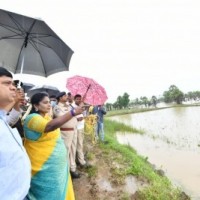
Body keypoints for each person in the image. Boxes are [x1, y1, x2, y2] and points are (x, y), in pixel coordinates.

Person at [23, 92, 84, 199]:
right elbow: (50, 126)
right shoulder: (31, 118)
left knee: (60, 190)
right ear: (36, 105)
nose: (49, 104)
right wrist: (73, 112)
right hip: (43, 168)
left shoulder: (46, 116)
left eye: (49, 102)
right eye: (45, 102)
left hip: (56, 167)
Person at [0, 67, 31, 200]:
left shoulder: (2, 118)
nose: (13, 88)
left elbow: (9, 119)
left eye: (13, 84)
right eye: (7, 83)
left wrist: (15, 102)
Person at [53, 92, 80, 178]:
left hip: (74, 130)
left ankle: (73, 169)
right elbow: (63, 117)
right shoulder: (57, 108)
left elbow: (75, 113)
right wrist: (73, 113)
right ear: (60, 98)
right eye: (65, 96)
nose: (67, 97)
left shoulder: (69, 106)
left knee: (73, 150)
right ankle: (66, 173)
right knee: (66, 152)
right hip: (65, 132)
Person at [72, 94, 88, 167]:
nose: (79, 100)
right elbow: (70, 117)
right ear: (74, 99)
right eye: (77, 99)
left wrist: (83, 117)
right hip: (77, 128)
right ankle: (82, 162)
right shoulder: (72, 107)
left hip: (81, 127)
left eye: (80, 99)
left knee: (80, 144)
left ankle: (79, 159)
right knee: (79, 144)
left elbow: (83, 114)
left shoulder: (81, 107)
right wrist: (77, 119)